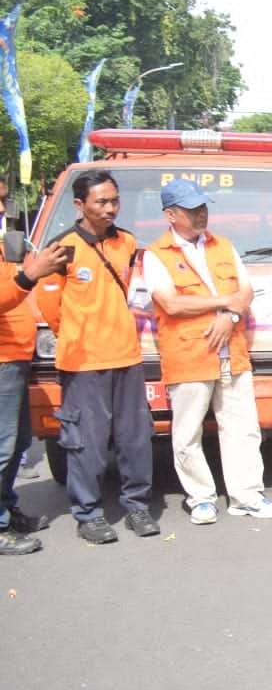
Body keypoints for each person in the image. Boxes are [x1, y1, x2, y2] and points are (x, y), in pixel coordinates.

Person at [143, 179, 272, 525]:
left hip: (232, 353)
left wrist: (231, 316)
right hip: (189, 355)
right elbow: (171, 303)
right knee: (187, 432)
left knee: (242, 427)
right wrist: (224, 303)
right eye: (192, 210)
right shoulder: (156, 254)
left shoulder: (223, 246)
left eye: (203, 207)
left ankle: (246, 495)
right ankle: (201, 497)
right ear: (171, 215)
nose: (201, 214)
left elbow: (245, 292)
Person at [35, 170, 158, 544]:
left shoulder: (128, 242)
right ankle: (88, 514)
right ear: (80, 205)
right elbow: (50, 306)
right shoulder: (61, 248)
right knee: (85, 443)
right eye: (101, 202)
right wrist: (78, 335)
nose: (109, 209)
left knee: (135, 438)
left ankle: (137, 506)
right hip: (83, 363)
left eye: (114, 201)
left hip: (127, 358)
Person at [0, 208, 71, 555]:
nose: (3, 209)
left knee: (18, 443)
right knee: (2, 447)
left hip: (15, 359)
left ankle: (7, 510)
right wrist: (30, 276)